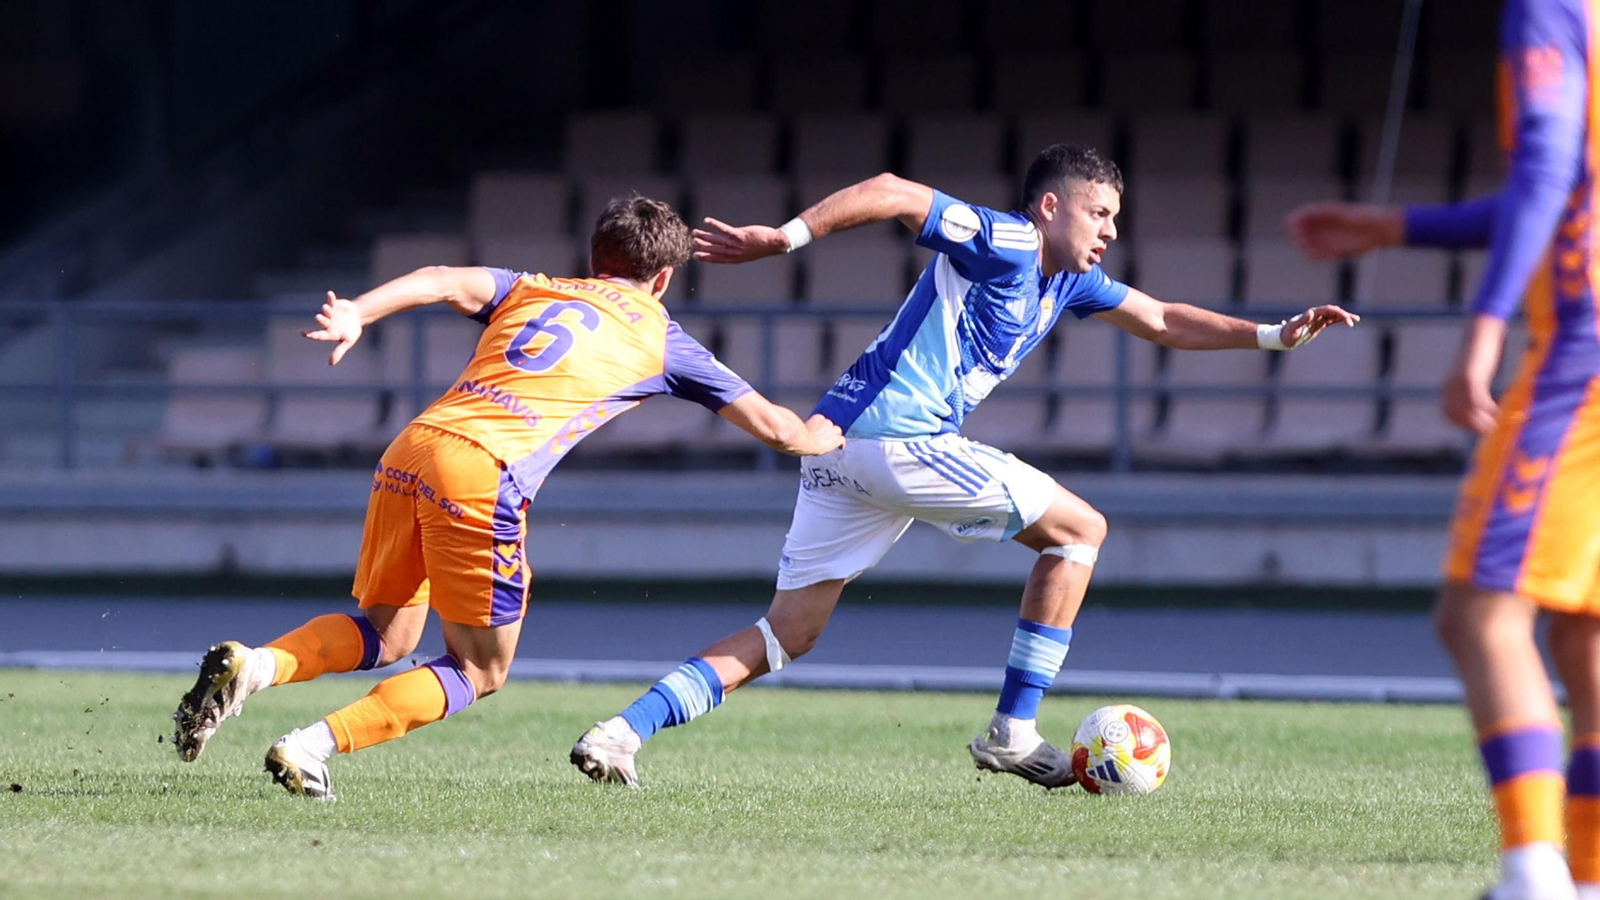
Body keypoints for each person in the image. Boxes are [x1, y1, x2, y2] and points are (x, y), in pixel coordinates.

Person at [570, 144, 1359, 790]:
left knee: (787, 634)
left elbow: (1158, 317)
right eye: (1098, 212)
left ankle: (619, 733)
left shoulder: (1069, 281)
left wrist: (1271, 335)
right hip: (899, 440)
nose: (1110, 230)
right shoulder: (1007, 240)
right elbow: (892, 190)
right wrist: (786, 238)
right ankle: (1013, 729)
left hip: (838, 450)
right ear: (1049, 206)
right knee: (1079, 532)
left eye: (1116, 217)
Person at [171, 196, 845, 799]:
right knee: (479, 669)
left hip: (413, 445)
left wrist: (357, 312)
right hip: (481, 472)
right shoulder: (661, 337)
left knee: (386, 635)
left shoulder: (534, 287)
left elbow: (440, 279)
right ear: (663, 279)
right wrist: (831, 435)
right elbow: (780, 430)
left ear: (594, 259)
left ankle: (256, 665)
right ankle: (309, 747)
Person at [1288, 2, 1600, 897]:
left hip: (1582, 354)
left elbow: (1546, 170)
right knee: (1585, 633)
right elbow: (1565, 189)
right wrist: (1401, 227)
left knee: (1481, 614)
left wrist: (1486, 329)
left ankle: (1533, 876)